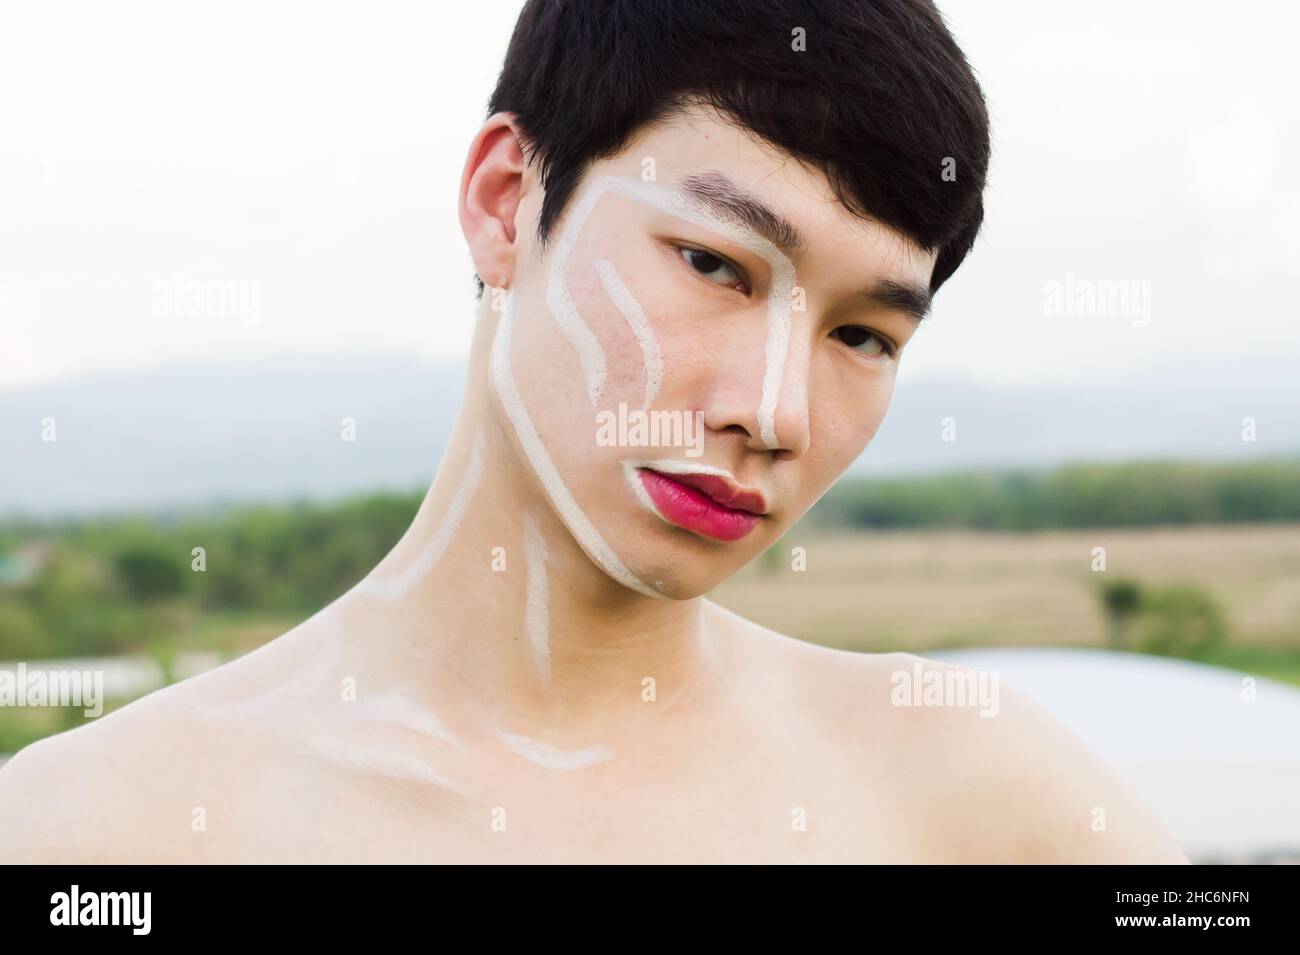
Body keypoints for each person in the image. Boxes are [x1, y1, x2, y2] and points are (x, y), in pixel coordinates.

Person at [0, 0, 1188, 863]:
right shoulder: (98, 834)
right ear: (507, 202)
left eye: (865, 335)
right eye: (715, 264)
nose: (772, 410)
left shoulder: (976, 799)